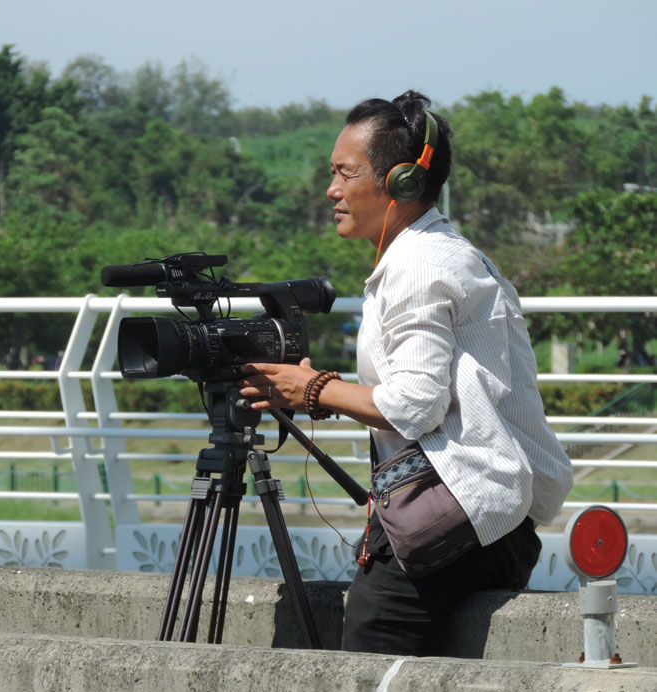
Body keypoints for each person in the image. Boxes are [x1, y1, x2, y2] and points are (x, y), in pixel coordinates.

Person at [239, 90, 573, 656]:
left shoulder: (418, 265)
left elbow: (416, 405)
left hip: (461, 517)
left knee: (370, 662)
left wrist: (315, 388)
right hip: (489, 519)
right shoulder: (437, 252)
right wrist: (319, 390)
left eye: (345, 173)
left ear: (400, 182)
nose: (332, 190)